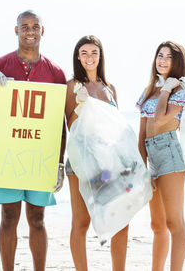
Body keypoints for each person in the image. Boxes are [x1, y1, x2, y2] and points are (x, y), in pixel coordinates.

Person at [0, 10, 67, 271]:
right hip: (9, 153)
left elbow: (59, 123)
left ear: (42, 30)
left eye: (35, 26)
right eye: (24, 27)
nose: (29, 31)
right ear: (16, 30)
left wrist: (59, 163)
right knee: (9, 217)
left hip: (40, 154)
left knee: (38, 219)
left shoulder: (55, 72)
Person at [64, 35, 128, 271]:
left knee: (120, 222)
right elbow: (70, 126)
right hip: (81, 161)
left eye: (94, 53)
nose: (89, 57)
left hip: (109, 163)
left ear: (100, 57)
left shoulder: (110, 88)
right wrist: (81, 107)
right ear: (78, 57)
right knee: (81, 223)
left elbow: (117, 126)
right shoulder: (72, 87)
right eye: (84, 53)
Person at [136, 41, 185, 271]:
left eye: (168, 57)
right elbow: (141, 135)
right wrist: (142, 168)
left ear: (177, 63)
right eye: (160, 55)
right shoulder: (150, 90)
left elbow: (160, 119)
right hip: (151, 156)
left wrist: (168, 88)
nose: (162, 60)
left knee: (174, 223)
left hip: (169, 154)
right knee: (157, 225)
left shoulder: (179, 91)